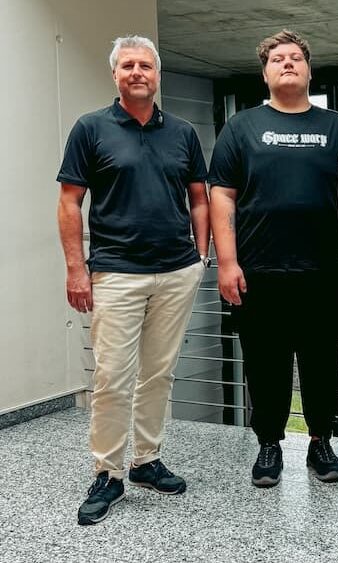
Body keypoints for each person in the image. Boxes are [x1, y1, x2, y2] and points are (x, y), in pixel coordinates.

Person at [57, 36, 210, 526]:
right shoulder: (91, 128)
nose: (137, 71)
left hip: (176, 271)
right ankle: (108, 472)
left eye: (146, 64)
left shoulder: (183, 132)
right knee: (111, 376)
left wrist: (201, 256)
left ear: (157, 74)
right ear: (116, 74)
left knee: (158, 373)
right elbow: (69, 203)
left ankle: (146, 461)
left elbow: (199, 197)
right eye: (128, 65)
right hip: (116, 272)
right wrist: (77, 269)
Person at [208, 29, 338, 488]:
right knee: (264, 364)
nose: (287, 63)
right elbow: (222, 197)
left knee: (321, 363)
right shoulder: (241, 127)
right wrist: (227, 263)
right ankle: (269, 444)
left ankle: (320, 441)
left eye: (295, 57)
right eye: (278, 58)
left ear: (309, 70)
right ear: (265, 72)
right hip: (260, 272)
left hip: (325, 271)